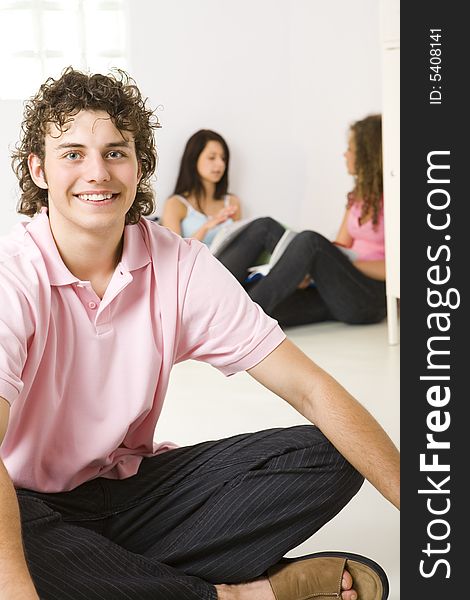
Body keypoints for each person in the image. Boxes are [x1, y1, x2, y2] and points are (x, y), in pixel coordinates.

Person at [0, 68, 399, 600]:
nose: (97, 172)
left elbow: (311, 389)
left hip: (134, 492)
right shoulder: (12, 276)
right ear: (39, 170)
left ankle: (110, 576)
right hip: (30, 505)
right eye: (72, 153)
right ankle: (239, 594)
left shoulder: (181, 265)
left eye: (116, 151)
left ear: (139, 164)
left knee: (333, 453)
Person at [246, 114, 387, 328]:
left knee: (310, 241)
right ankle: (235, 315)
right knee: (274, 312)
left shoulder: (395, 200)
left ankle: (237, 318)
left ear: (368, 154)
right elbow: (341, 245)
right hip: (339, 292)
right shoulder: (358, 196)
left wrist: (348, 263)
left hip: (370, 299)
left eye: (350, 149)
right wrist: (305, 269)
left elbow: (396, 271)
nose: (345, 154)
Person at [162, 129, 287, 277]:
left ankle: (299, 273)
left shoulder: (231, 202)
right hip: (198, 274)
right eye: (212, 157)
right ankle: (300, 273)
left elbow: (240, 248)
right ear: (193, 159)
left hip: (230, 270)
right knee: (265, 226)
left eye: (223, 158)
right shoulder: (176, 204)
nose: (220, 164)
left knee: (303, 240)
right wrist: (207, 227)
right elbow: (174, 257)